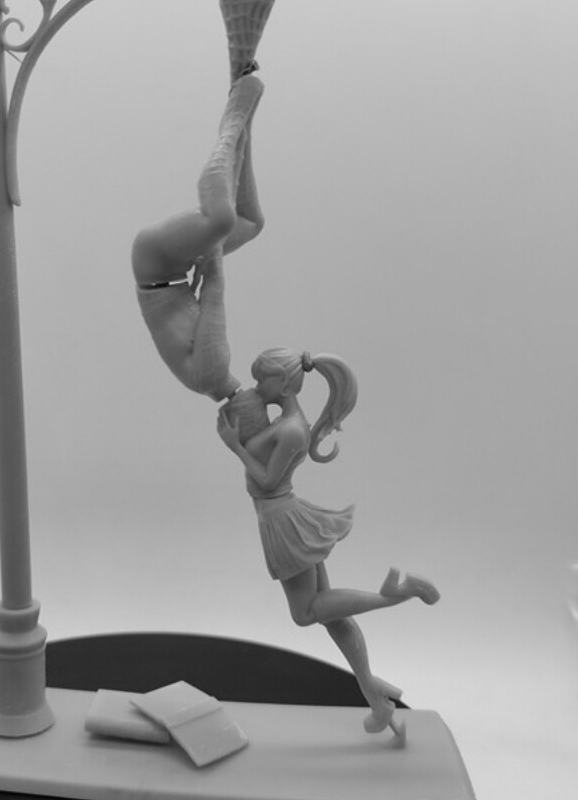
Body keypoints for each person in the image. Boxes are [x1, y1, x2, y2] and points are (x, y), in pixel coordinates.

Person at [217, 348, 440, 736]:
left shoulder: (291, 429)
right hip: (283, 517)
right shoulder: (286, 421)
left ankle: (397, 594)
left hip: (281, 522)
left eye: (262, 379)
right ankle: (374, 696)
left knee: (306, 613)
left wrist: (234, 447)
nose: (256, 386)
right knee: (332, 616)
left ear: (284, 384)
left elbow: (267, 480)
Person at [132, 0, 276, 402]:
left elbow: (215, 285)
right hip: (172, 269)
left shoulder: (212, 373)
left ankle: (236, 111)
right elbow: (208, 283)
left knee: (221, 222)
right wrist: (207, 251)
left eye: (263, 400)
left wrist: (210, 245)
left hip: (157, 264)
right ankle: (242, 113)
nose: (261, 393)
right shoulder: (207, 380)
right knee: (251, 222)